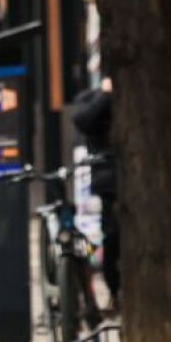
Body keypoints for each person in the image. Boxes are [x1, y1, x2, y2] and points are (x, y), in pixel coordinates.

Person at [67, 76, 119, 309]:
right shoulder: (93, 99)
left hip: (136, 179)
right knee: (113, 238)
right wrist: (106, 96)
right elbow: (82, 120)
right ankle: (116, 291)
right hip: (110, 183)